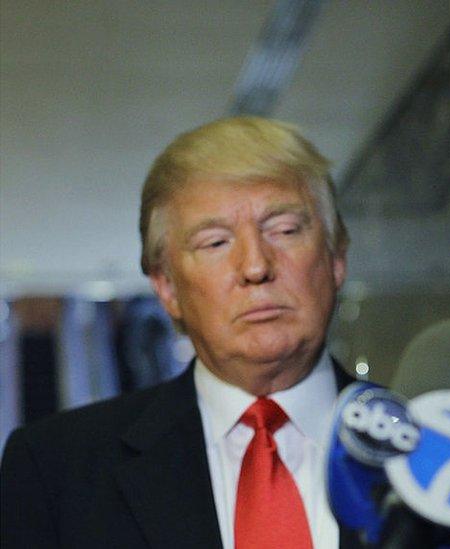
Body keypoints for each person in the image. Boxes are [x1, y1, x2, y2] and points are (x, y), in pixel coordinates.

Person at [0, 117, 361, 548]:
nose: (256, 267)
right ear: (167, 287)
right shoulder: (56, 470)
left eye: (284, 231)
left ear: (336, 258)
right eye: (215, 243)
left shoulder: (437, 453)